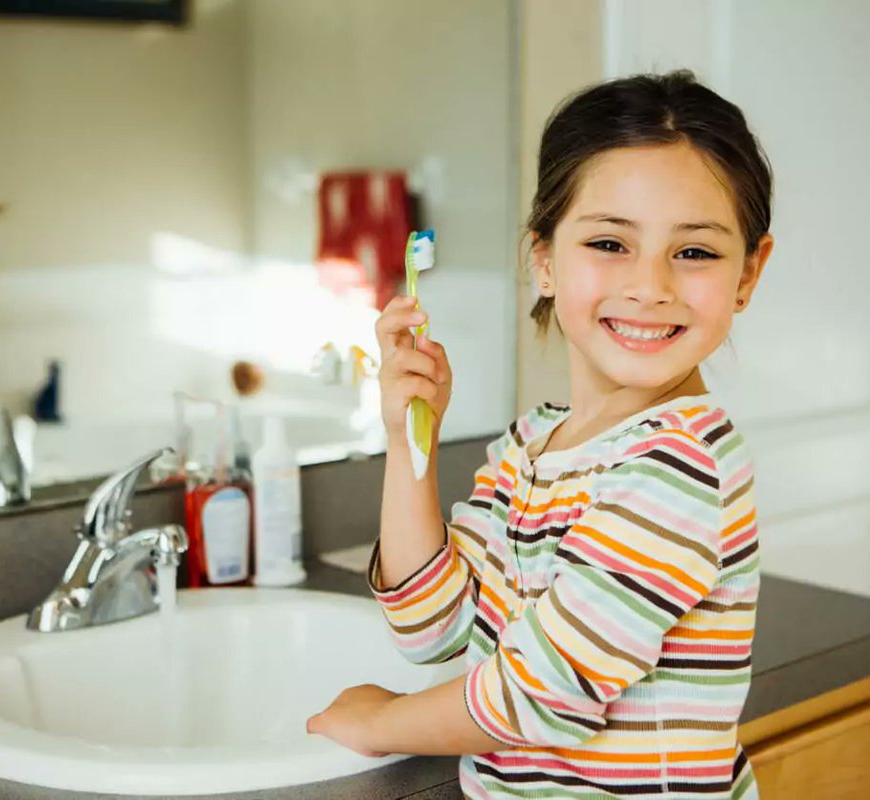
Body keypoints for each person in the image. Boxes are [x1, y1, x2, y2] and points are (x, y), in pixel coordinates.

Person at [307, 70, 773, 800]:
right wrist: (408, 443)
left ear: (748, 272)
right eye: (610, 242)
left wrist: (382, 722)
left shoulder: (679, 466)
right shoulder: (534, 446)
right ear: (545, 261)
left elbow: (537, 697)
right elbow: (436, 629)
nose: (650, 284)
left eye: (695, 253)